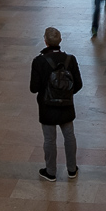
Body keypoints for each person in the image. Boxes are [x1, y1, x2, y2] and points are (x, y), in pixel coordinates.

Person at [31, 27, 83, 182]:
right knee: (69, 136)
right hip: (66, 105)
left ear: (45, 41)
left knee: (49, 139)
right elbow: (78, 84)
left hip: (47, 107)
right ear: (60, 40)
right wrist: (65, 94)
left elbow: (33, 88)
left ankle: (51, 172)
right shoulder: (70, 59)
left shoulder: (39, 61)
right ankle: (72, 169)